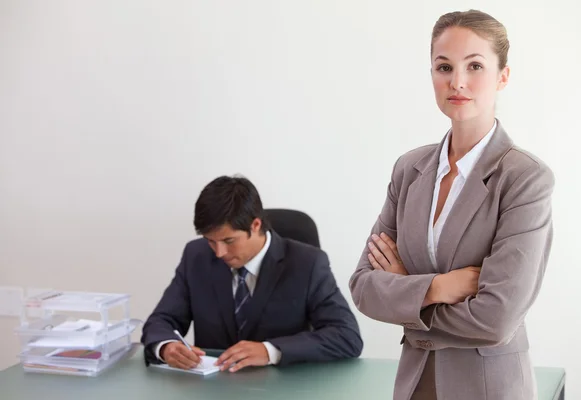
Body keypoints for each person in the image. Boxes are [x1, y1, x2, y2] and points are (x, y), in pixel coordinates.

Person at [349, 10, 553, 400]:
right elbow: (363, 286)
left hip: (486, 388)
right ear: (431, 75)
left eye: (474, 65)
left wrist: (407, 293)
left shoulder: (525, 178)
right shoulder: (410, 169)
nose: (457, 82)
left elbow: (496, 319)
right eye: (444, 67)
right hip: (413, 385)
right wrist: (439, 287)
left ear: (503, 77)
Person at [142, 175, 362, 372]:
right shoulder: (196, 256)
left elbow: (346, 336)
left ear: (255, 225)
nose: (219, 253)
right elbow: (160, 321)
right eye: (211, 241)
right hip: (214, 390)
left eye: (229, 241)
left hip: (284, 389)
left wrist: (270, 351)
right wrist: (166, 346)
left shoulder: (308, 263)